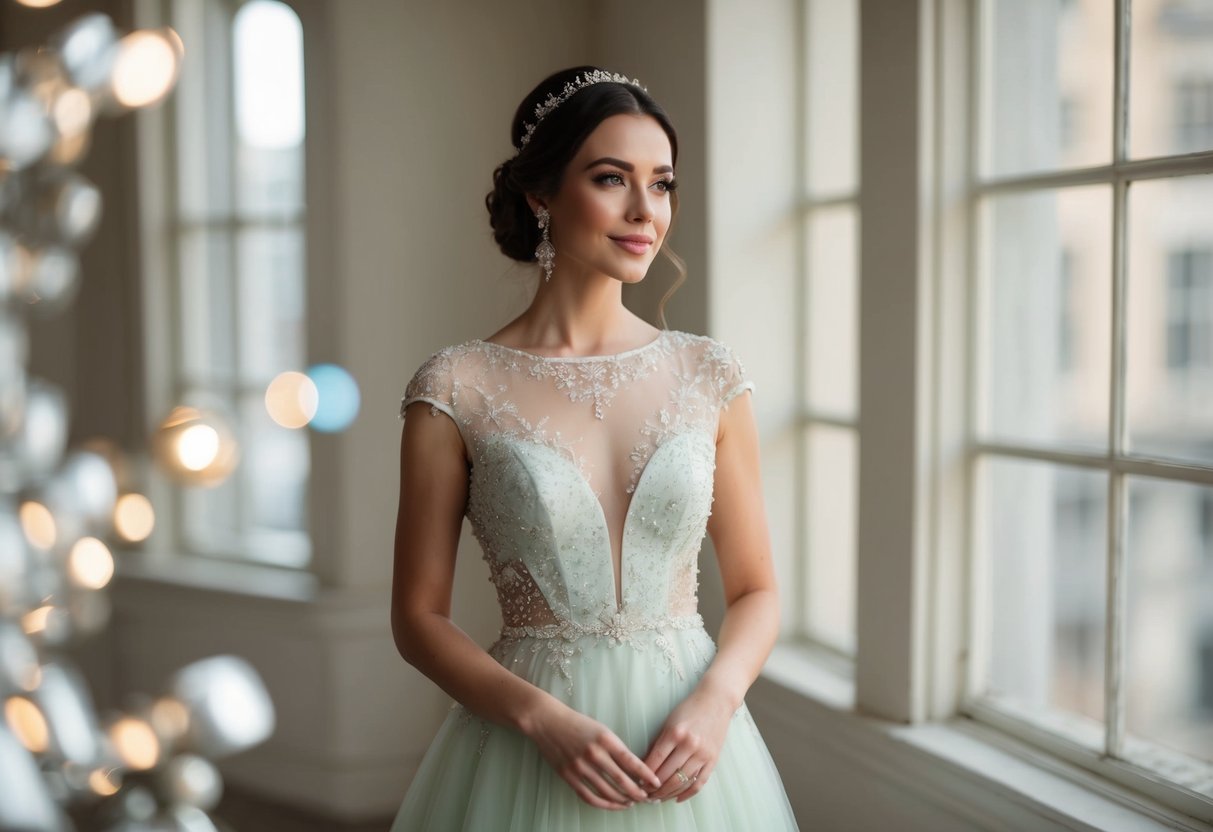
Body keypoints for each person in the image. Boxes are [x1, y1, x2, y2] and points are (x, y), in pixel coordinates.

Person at [389, 65, 799, 831]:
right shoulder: (456, 386)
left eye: (663, 183)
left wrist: (715, 701)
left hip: (689, 742)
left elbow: (755, 591)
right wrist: (544, 721)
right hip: (529, 741)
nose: (646, 210)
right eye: (612, 179)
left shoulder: (707, 373)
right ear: (540, 194)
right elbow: (417, 619)